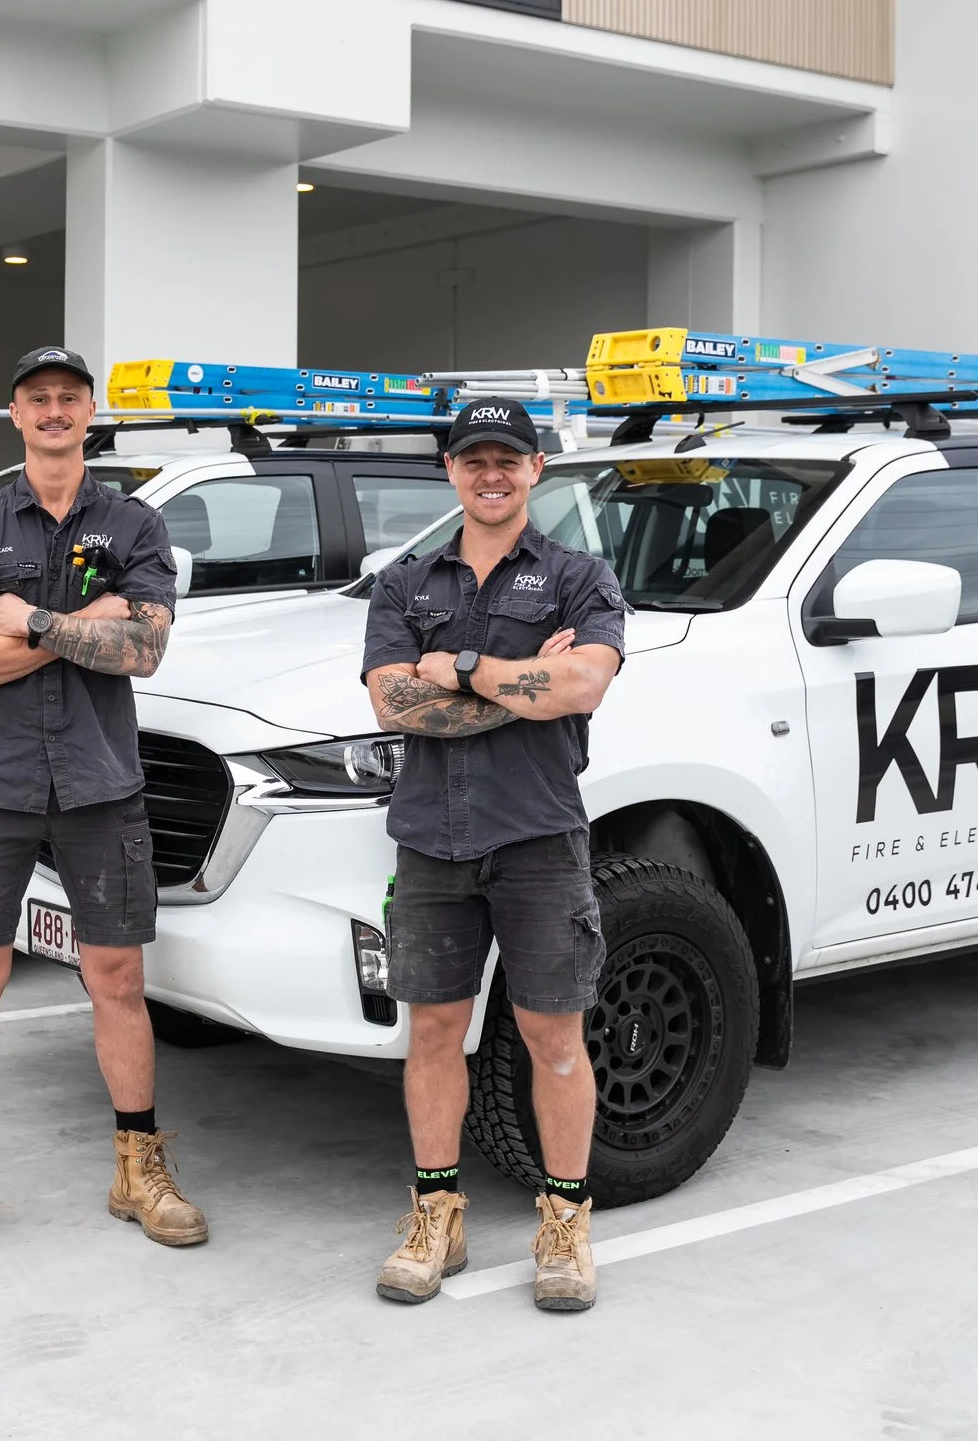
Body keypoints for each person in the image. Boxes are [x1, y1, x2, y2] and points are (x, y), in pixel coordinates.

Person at [0, 346, 207, 1255]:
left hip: (101, 783)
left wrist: (26, 618)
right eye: (38, 398)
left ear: (90, 411)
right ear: (16, 415)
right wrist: (87, 623)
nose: (54, 410)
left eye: (69, 396)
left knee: (119, 980)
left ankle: (139, 1167)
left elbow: (145, 649)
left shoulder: (135, 523)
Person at [358, 397, 626, 1311]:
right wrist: (523, 685)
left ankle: (566, 1221)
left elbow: (583, 683)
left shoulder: (579, 577)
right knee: (434, 1031)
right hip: (431, 841)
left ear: (537, 468)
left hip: (539, 837)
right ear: (450, 470)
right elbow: (394, 703)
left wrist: (465, 668)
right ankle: (437, 1213)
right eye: (473, 458)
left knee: (554, 1036)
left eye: (508, 458)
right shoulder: (404, 584)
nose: (491, 474)